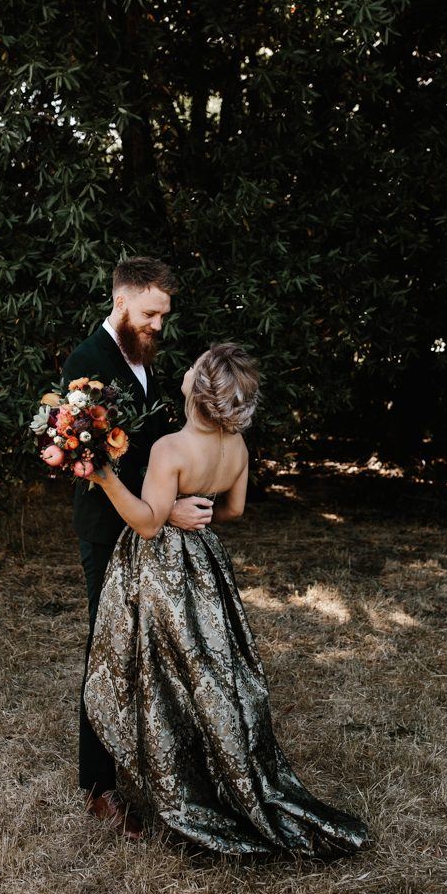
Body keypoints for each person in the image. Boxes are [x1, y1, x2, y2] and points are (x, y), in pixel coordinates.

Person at [84, 343, 369, 859]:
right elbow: (233, 509)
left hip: (162, 569)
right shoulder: (237, 447)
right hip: (207, 564)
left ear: (197, 390)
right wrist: (199, 511)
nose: (187, 368)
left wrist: (105, 478)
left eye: (194, 367)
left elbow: (148, 523)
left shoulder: (170, 448)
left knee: (159, 668)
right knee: (205, 664)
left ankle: (176, 774)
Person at [60, 257, 214, 840]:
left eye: (164, 316)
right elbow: (95, 466)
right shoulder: (86, 364)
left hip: (153, 522)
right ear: (120, 301)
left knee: (153, 650)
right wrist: (163, 507)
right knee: (107, 651)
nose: (158, 326)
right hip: (108, 530)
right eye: (149, 313)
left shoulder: (144, 355)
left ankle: (155, 763)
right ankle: (99, 787)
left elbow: (151, 449)